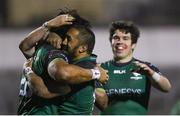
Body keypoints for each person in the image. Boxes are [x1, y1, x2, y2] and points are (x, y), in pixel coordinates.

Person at [18, 9, 108, 115]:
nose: (65, 41)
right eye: (67, 37)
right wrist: (95, 74)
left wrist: (47, 28)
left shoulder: (40, 48)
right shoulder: (55, 53)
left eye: (69, 39)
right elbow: (46, 89)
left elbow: (24, 46)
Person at [95, 20, 172, 115]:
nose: (120, 41)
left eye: (125, 38)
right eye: (116, 38)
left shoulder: (145, 68)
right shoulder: (100, 68)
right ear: (111, 42)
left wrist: (151, 74)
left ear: (133, 44)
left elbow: (167, 88)